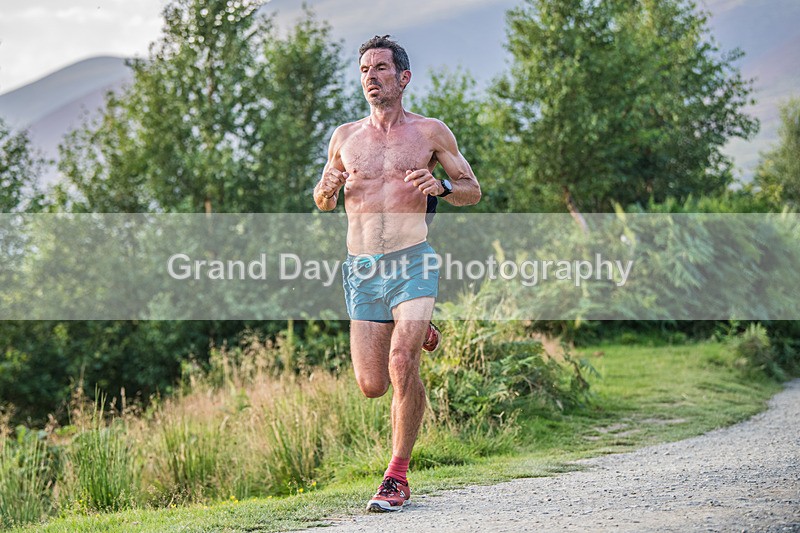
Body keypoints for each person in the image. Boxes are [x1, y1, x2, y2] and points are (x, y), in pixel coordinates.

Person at [313, 35, 481, 512]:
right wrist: (324, 189)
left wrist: (443, 186)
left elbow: (472, 189)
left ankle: (396, 476)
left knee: (402, 361)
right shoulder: (344, 138)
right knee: (372, 384)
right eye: (365, 69)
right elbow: (323, 199)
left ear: (403, 77)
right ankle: (416, 321)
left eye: (381, 68)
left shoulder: (430, 133)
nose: (371, 76)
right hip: (362, 269)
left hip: (413, 261)